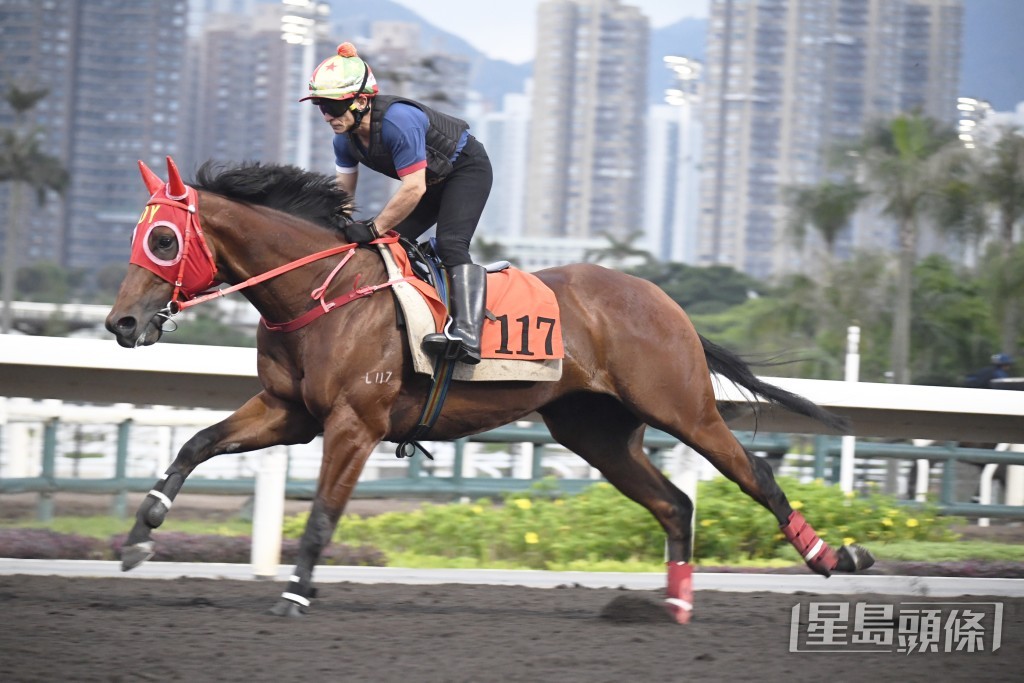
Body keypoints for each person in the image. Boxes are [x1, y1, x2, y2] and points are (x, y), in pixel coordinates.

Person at [301, 42, 493, 365]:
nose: (326, 116)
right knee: (390, 245)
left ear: (361, 101)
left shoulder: (397, 122)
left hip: (465, 170)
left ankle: (468, 335)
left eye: (332, 107)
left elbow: (413, 188)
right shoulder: (343, 140)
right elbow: (343, 197)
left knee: (450, 244)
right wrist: (337, 230)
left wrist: (373, 227)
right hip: (430, 181)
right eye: (320, 106)